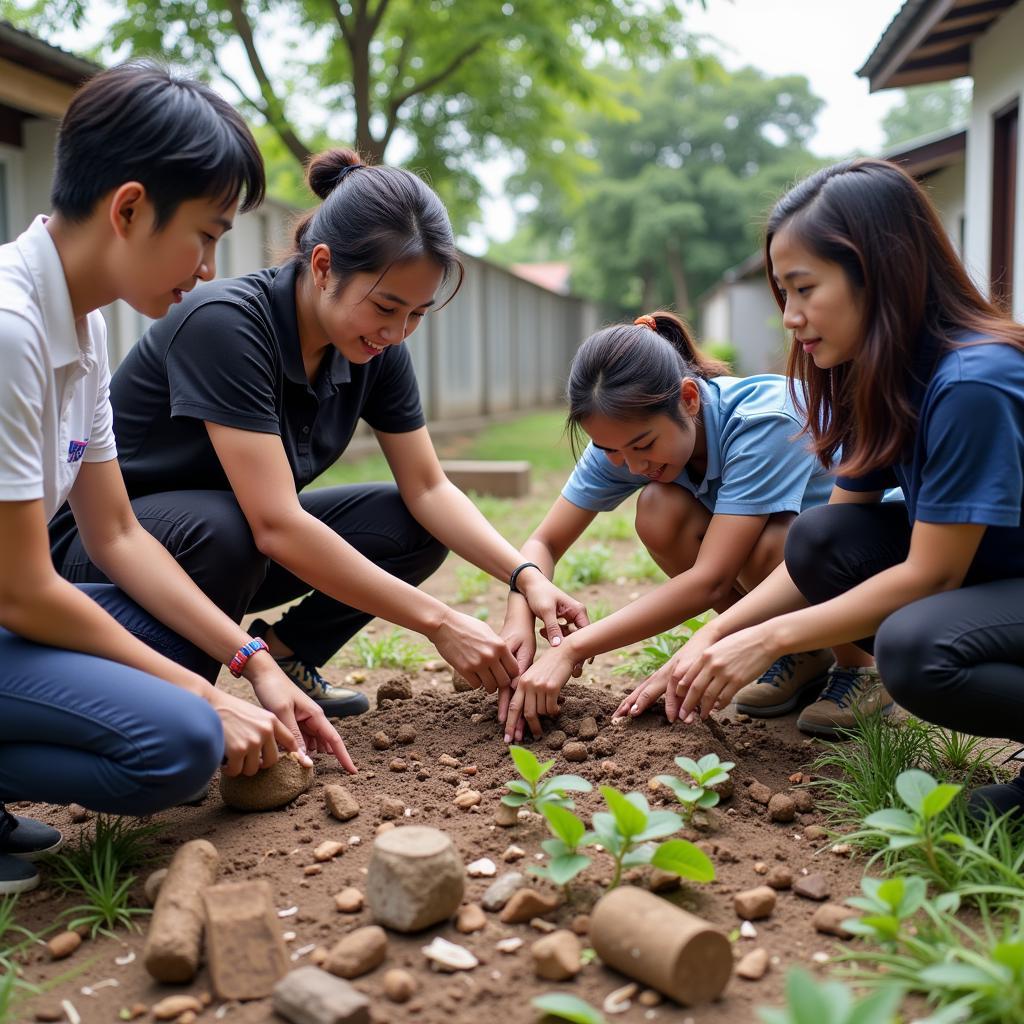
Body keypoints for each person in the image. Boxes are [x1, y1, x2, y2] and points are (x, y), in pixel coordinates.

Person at [50, 147, 587, 718]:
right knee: (230, 529)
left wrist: (523, 575)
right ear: (324, 266)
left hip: (232, 551)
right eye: (386, 305)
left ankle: (288, 656)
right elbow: (276, 525)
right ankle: (184, 710)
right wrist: (441, 621)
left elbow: (429, 489)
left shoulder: (374, 349)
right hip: (110, 550)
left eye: (417, 314)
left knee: (410, 523)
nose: (397, 330)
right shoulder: (225, 324)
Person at [0, 64, 355, 897]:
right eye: (206, 233)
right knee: (182, 741)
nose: (207, 267)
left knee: (185, 647)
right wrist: (206, 696)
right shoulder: (13, 332)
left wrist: (249, 660)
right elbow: (21, 590)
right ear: (128, 209)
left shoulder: (79, 335)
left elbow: (117, 535)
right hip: (10, 609)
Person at [640, 158, 1024, 817]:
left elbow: (930, 577)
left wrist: (771, 639)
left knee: (916, 649)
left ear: (879, 272)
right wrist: (711, 638)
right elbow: (829, 547)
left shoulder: (973, 382)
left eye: (803, 288)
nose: (790, 316)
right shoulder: (881, 374)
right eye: (781, 294)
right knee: (821, 539)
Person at [502, 311, 882, 743]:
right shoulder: (624, 437)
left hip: (866, 565)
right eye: (611, 450)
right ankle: (804, 655)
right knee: (659, 508)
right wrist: (520, 610)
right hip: (794, 585)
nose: (633, 465)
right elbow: (544, 540)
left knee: (773, 541)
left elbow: (710, 580)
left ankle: (859, 667)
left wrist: (573, 648)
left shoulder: (764, 421)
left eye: (643, 445)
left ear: (688, 399)